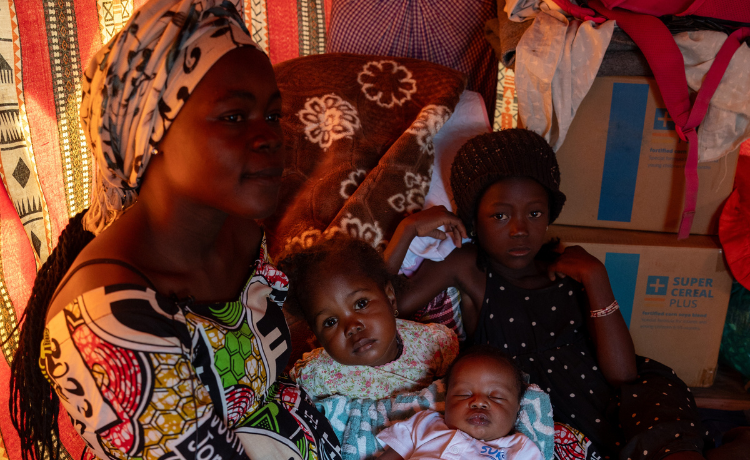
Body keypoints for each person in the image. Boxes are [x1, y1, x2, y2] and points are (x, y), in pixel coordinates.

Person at [8, 1, 340, 459]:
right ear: (153, 132)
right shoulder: (105, 324)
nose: (270, 136)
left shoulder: (240, 231)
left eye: (271, 114)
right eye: (232, 117)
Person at [384, 129, 750, 460]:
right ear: (472, 218)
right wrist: (407, 230)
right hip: (549, 415)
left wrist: (596, 278)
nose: (519, 230)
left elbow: (623, 373)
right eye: (499, 216)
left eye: (535, 213)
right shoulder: (468, 266)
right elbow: (380, 307)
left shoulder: (570, 267)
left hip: (625, 401)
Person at [280, 234, 459, 400]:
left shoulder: (434, 345)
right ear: (317, 336)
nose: (352, 327)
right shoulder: (317, 379)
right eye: (330, 322)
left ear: (390, 297)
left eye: (361, 304)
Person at [376, 346, 543, 460]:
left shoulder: (520, 450)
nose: (479, 402)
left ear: (517, 409)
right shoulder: (425, 425)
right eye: (464, 394)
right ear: (446, 400)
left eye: (496, 397)